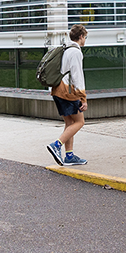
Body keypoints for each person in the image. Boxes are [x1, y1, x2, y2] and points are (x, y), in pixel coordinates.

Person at [46, 24, 89, 166]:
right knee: (79, 122)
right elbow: (77, 76)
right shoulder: (76, 52)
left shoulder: (64, 49)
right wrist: (83, 97)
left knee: (69, 123)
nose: (85, 41)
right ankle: (56, 145)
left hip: (57, 90)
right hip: (68, 92)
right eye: (85, 38)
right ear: (81, 36)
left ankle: (69, 156)